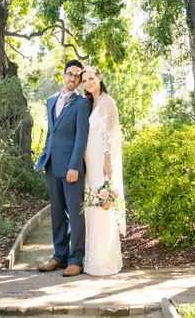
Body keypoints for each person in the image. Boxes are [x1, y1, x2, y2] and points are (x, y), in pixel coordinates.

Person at [35, 59, 91, 276]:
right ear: (64, 74)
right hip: (52, 165)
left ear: (79, 80)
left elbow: (81, 138)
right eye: (70, 74)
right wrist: (44, 155)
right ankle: (59, 256)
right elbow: (52, 132)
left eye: (77, 76)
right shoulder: (51, 101)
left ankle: (76, 260)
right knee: (57, 213)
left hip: (71, 168)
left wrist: (75, 165)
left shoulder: (82, 104)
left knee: (75, 215)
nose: (73, 79)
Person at [81, 66, 124, 276]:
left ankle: (104, 260)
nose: (87, 82)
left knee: (101, 203)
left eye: (91, 78)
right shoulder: (90, 102)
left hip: (101, 159)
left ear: (99, 78)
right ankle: (91, 257)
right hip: (89, 160)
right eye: (84, 80)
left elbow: (109, 135)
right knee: (91, 204)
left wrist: (108, 162)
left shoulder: (107, 101)